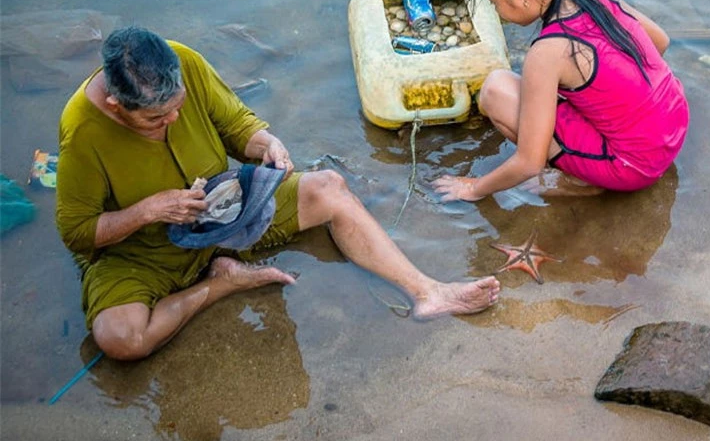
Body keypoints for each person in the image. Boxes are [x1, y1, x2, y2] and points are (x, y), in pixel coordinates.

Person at [56, 26, 500, 361]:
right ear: (117, 106)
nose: (172, 121)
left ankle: (427, 292)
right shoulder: (81, 131)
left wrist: (267, 143)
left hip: (224, 213)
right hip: (145, 253)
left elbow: (235, 126)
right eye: (156, 119)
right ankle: (221, 284)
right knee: (121, 339)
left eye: (178, 109)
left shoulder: (184, 61)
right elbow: (76, 233)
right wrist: (149, 210)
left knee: (329, 187)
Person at [433, 0, 689, 201]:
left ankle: (583, 181)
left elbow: (529, 162)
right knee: (565, 91)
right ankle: (596, 159)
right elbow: (660, 41)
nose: (499, 13)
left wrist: (474, 188)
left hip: (634, 167)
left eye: (495, 3)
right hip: (673, 124)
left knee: (496, 90)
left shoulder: (547, 52)